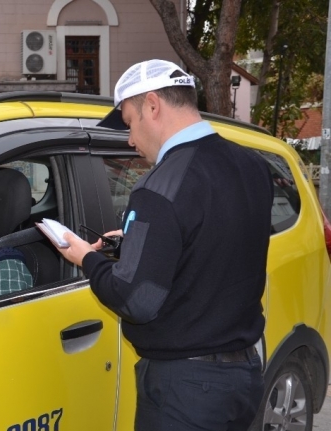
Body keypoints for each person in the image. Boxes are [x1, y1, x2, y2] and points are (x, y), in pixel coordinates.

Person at [58, 59, 273, 431]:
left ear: (153, 106)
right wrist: (138, 242)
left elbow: (135, 299)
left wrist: (87, 258)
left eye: (128, 123)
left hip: (186, 388)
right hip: (246, 376)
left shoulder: (161, 186)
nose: (129, 140)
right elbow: (213, 240)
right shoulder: (252, 165)